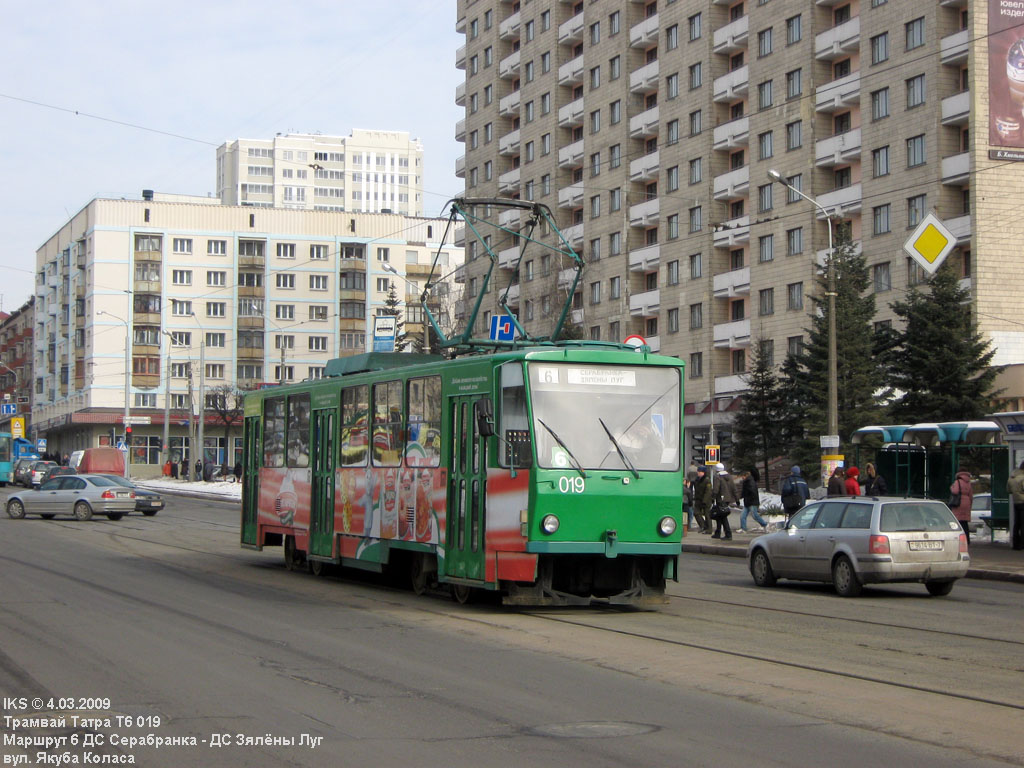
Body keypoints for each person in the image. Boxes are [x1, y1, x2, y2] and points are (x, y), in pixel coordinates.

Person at [737, 469, 768, 533]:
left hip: (752, 502)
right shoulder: (747, 481)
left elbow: (752, 492)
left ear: (746, 475)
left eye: (743, 476)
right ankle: (743, 528)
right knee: (743, 515)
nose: (742, 478)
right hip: (748, 502)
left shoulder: (750, 482)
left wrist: (746, 496)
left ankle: (765, 524)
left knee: (755, 515)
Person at [711, 463, 736, 540]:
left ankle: (728, 534)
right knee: (720, 515)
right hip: (727, 499)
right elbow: (734, 488)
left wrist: (713, 497)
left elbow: (716, 488)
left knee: (722, 516)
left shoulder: (717, 477)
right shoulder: (729, 477)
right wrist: (737, 499)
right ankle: (718, 532)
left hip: (720, 499)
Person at [949, 468, 974, 540]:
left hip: (958, 503)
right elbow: (971, 495)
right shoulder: (968, 483)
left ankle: (959, 538)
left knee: (958, 521)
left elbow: (955, 491)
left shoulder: (957, 482)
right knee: (965, 522)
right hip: (967, 502)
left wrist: (951, 487)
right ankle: (967, 539)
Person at [1007, 460, 1024, 550]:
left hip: (1016, 502)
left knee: (1016, 523)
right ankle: (1022, 544)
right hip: (1023, 502)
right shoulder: (1023, 478)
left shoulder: (1012, 477)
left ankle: (1015, 544)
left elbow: (1009, 490)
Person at [692, 465, 713, 534]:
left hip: (705, 500)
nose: (698, 473)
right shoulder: (697, 479)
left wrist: (705, 501)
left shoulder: (707, 480)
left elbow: (708, 492)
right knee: (696, 513)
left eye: (699, 471)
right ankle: (703, 526)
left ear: (703, 472)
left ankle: (709, 529)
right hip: (698, 499)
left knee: (707, 515)